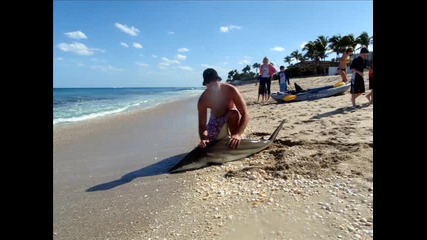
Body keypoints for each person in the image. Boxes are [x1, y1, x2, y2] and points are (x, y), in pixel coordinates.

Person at [198, 68, 250, 149]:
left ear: (218, 80)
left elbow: (245, 114)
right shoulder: (203, 100)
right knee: (209, 145)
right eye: (209, 84)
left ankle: (234, 137)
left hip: (230, 115)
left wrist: (238, 134)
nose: (212, 86)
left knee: (233, 114)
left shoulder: (231, 90)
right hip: (215, 119)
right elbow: (202, 125)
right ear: (206, 85)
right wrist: (204, 138)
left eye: (214, 82)